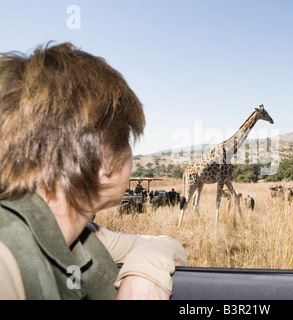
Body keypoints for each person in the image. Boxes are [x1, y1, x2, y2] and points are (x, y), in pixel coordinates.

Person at [0, 42, 186, 299]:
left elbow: (166, 243)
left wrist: (146, 271)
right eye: (126, 141)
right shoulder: (7, 262)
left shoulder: (80, 234)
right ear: (105, 163)